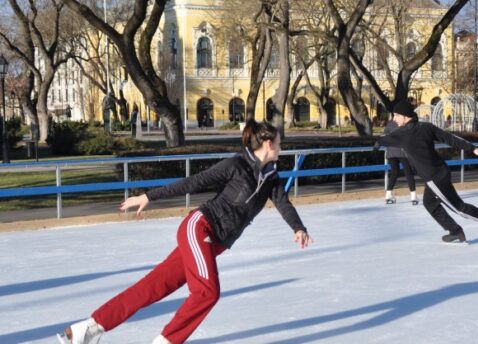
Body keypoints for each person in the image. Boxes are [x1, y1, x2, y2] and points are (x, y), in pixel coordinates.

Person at [59, 119, 313, 344]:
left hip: (213, 242)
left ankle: (88, 329)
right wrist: (149, 196)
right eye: (280, 142)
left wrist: (298, 228)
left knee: (154, 286)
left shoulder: (271, 177)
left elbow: (283, 203)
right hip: (200, 227)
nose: (282, 147)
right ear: (268, 143)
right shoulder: (236, 165)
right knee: (207, 292)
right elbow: (194, 182)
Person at [374, 99, 478, 243]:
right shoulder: (426, 127)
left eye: (396, 115)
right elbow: (450, 138)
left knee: (459, 208)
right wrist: (473, 148)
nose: (394, 119)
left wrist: (377, 143)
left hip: (434, 178)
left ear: (406, 116)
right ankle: (455, 231)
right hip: (440, 172)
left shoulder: (403, 134)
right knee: (429, 203)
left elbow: (385, 139)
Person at [383, 115, 418, 205]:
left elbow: (385, 135)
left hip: (391, 152)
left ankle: (388, 194)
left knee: (394, 172)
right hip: (402, 151)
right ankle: (413, 195)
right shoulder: (403, 122)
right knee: (408, 172)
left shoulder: (390, 123)